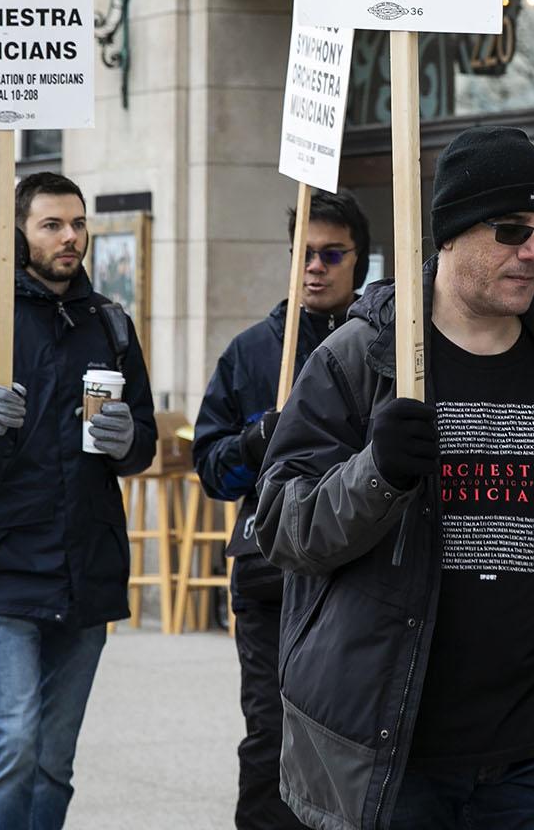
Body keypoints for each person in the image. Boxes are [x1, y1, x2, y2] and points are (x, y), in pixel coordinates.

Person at [257, 125, 534, 830]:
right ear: (448, 232)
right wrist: (376, 473)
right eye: (511, 229)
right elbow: (281, 528)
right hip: (398, 751)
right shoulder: (363, 360)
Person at [0, 171, 156, 830]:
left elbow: (143, 446)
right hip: (3, 563)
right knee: (15, 744)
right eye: (52, 224)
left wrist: (129, 439)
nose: (70, 236)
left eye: (78, 223)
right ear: (17, 233)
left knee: (54, 759)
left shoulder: (110, 323)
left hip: (88, 562)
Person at [192, 187, 372, 830]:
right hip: (269, 570)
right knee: (269, 732)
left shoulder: (381, 346)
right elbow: (211, 468)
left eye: (331, 254)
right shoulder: (251, 352)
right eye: (303, 253)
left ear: (359, 262)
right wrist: (255, 439)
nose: (315, 266)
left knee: (348, 738)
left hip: (355, 574)